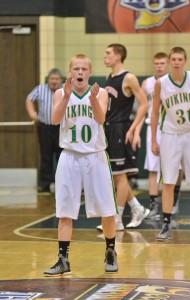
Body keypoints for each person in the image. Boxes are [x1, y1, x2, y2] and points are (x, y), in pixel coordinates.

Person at [43, 54, 118, 275]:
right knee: (65, 210)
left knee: (107, 209)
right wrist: (66, 97)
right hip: (70, 156)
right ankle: (63, 259)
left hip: (95, 156)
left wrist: (93, 99)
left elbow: (101, 118)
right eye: (76, 69)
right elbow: (56, 120)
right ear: (70, 72)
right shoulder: (60, 93)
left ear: (90, 72)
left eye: (84, 69)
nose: (80, 73)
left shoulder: (101, 92)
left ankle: (111, 251)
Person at [97, 43, 149, 232]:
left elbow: (144, 105)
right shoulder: (109, 77)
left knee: (120, 176)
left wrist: (133, 129)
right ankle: (137, 207)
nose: (105, 56)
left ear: (118, 56)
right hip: (108, 128)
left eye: (108, 53)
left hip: (121, 128)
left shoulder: (130, 78)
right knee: (115, 176)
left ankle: (117, 218)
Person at [151, 47, 190, 240]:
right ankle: (166, 224)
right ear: (170, 62)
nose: (177, 62)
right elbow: (154, 112)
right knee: (168, 181)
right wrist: (153, 139)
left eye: (180, 59)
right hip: (170, 134)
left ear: (185, 61)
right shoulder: (160, 83)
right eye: (174, 59)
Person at [142, 52, 182, 219]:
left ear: (168, 64)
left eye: (162, 63)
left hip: (173, 128)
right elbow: (144, 106)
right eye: (156, 63)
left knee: (177, 167)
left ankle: (174, 198)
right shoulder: (146, 84)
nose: (159, 66)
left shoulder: (176, 82)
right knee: (153, 168)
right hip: (154, 127)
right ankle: (153, 206)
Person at [26, 68, 63, 193]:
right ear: (48, 80)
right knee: (46, 156)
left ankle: (63, 182)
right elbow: (29, 99)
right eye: (52, 79)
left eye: (56, 79)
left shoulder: (66, 89)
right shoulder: (40, 89)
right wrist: (32, 114)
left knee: (62, 156)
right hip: (44, 127)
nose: (54, 82)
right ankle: (45, 184)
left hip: (61, 127)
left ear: (60, 80)